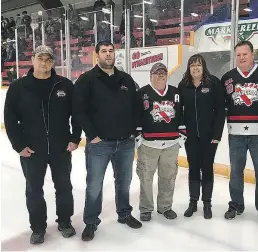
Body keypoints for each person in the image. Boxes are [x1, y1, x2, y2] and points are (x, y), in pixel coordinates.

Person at [4, 45, 82, 244]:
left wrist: (74, 138)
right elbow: (10, 120)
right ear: (32, 60)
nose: (45, 63)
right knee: (33, 190)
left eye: (48, 60)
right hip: (32, 150)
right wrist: (19, 146)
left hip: (60, 149)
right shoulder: (18, 87)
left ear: (53, 62)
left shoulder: (65, 85)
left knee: (64, 187)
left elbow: (77, 114)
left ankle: (64, 222)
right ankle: (38, 228)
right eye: (41, 59)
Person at [73, 40, 142, 242]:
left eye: (111, 51)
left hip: (125, 143)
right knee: (94, 185)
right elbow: (78, 111)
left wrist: (133, 131)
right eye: (104, 51)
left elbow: (136, 107)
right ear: (97, 55)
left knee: (124, 182)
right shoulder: (86, 80)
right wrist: (92, 135)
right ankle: (91, 221)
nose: (108, 54)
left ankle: (124, 213)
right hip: (99, 144)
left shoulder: (126, 79)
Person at [220, 40, 258, 225]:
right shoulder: (228, 78)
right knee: (235, 171)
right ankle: (236, 204)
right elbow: (222, 105)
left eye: (245, 54)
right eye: (238, 55)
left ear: (252, 54)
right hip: (236, 133)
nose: (242, 57)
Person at [135, 62, 186, 221]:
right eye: (157, 73)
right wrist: (138, 137)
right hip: (148, 144)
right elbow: (136, 115)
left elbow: (182, 115)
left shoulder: (176, 93)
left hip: (171, 144)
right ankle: (146, 208)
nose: (161, 75)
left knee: (168, 177)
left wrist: (182, 135)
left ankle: (165, 207)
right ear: (151, 75)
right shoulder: (142, 92)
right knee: (145, 178)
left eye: (163, 72)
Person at [178, 54, 225, 219]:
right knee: (193, 167)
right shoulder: (183, 86)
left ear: (204, 66)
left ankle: (207, 203)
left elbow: (220, 111)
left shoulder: (213, 83)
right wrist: (182, 133)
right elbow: (178, 111)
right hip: (190, 137)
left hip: (209, 136)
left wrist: (217, 134)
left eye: (198, 65)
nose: (195, 68)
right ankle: (193, 202)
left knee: (207, 168)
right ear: (188, 68)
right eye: (192, 65)